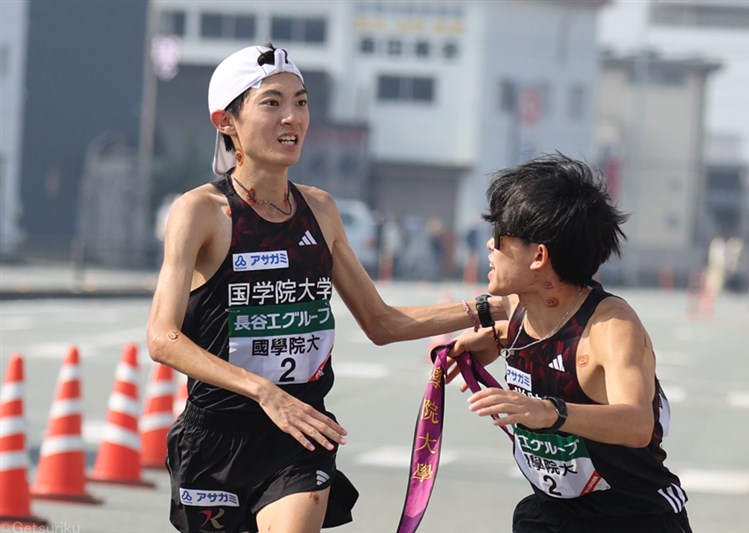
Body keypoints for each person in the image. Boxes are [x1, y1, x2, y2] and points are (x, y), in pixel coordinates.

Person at [145, 43, 502, 533]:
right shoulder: (201, 212)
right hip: (216, 439)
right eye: (271, 103)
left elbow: (380, 322)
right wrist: (263, 391)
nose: (292, 117)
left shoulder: (320, 209)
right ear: (226, 121)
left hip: (302, 433)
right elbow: (162, 338)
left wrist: (487, 309)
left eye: (302, 101)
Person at [447, 154, 692, 532]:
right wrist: (488, 340)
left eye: (500, 238)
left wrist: (549, 412)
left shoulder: (611, 325)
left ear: (539, 256)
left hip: (634, 517)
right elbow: (388, 325)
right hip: (552, 516)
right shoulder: (517, 309)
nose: (488, 247)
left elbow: (637, 424)